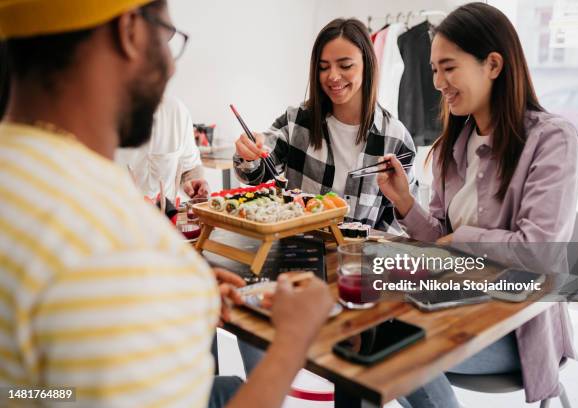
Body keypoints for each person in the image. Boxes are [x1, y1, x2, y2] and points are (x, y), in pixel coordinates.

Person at [0, 1, 333, 408]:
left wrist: (171, 299)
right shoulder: (118, 241)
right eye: (168, 38)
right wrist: (293, 341)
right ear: (130, 32)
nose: (172, 68)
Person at [378, 3, 578, 406]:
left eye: (448, 67)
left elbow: (537, 251)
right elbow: (439, 238)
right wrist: (403, 202)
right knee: (370, 328)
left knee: (395, 352)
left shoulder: (553, 141)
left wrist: (458, 241)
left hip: (517, 329)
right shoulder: (451, 147)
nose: (437, 82)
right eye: (434, 69)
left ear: (492, 64)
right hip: (454, 302)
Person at [234, 18, 416, 234]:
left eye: (345, 65)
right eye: (323, 67)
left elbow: (403, 221)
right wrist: (249, 155)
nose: (333, 76)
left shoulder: (395, 138)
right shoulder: (297, 122)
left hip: (361, 261)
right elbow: (257, 174)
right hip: (297, 254)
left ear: (367, 64)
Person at [115, 94, 210, 200]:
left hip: (165, 214)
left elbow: (190, 166)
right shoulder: (102, 116)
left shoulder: (176, 110)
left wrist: (194, 181)